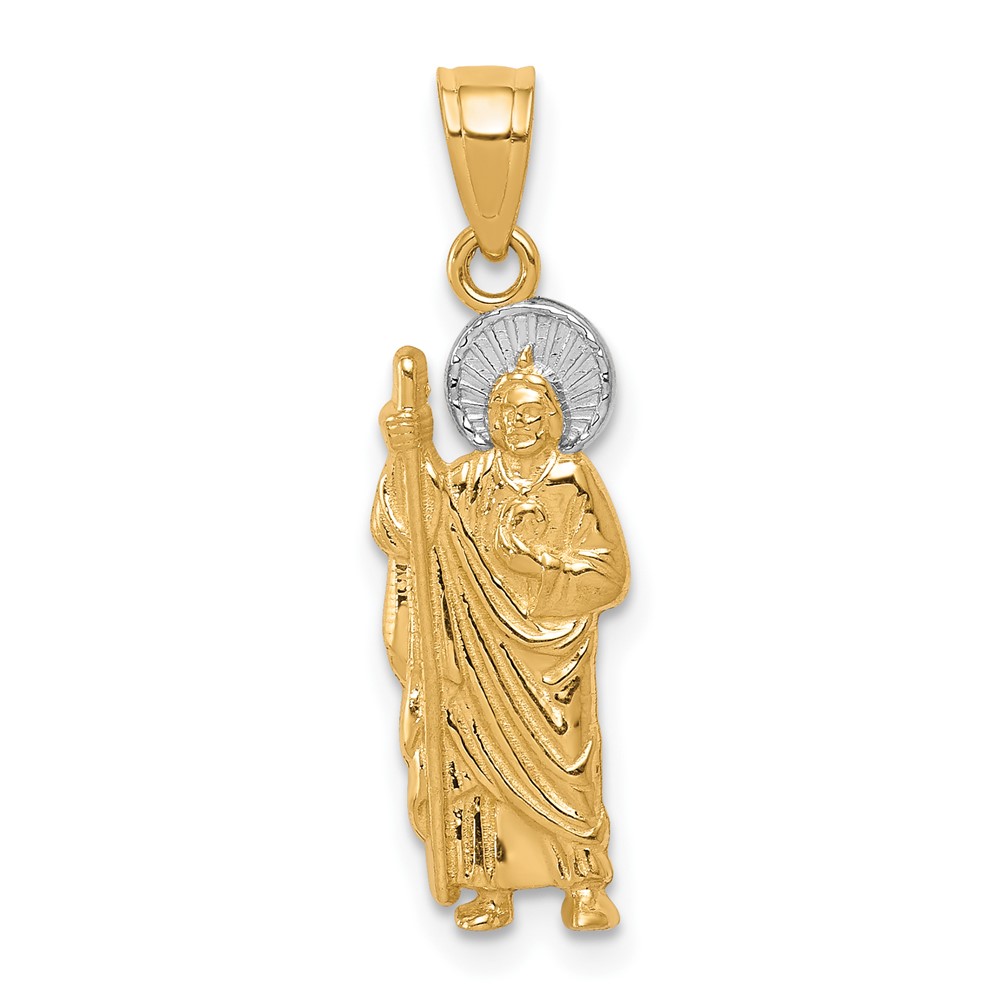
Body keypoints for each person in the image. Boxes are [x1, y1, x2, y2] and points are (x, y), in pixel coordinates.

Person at [372, 347, 629, 930]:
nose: (519, 424)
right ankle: (491, 886)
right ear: (489, 419)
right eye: (507, 413)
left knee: (566, 764)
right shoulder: (468, 478)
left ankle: (584, 883)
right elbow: (415, 529)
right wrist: (408, 450)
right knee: (475, 758)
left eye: (532, 412)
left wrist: (535, 565)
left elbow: (610, 575)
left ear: (555, 418)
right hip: (475, 647)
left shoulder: (572, 478)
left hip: (550, 659)